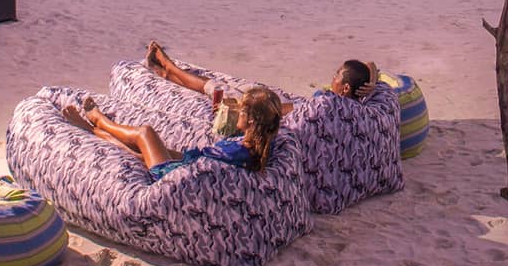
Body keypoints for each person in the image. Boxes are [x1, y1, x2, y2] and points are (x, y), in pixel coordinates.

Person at [61, 86, 284, 178]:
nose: (237, 113)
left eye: (242, 111)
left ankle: (97, 119)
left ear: (252, 120)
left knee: (145, 133)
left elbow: (202, 167)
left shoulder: (237, 152)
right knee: (139, 151)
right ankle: (93, 130)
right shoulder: (261, 142)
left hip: (175, 174)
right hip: (189, 162)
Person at [144, 39, 380, 117]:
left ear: (345, 88)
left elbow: (281, 111)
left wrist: (249, 107)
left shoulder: (328, 105)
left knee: (215, 87)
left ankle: (169, 67)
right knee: (233, 86)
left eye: (336, 75)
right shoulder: (364, 103)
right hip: (295, 103)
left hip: (281, 110)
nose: (332, 78)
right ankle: (168, 72)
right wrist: (372, 82)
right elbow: (370, 64)